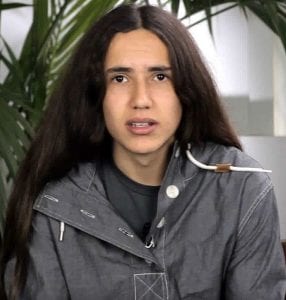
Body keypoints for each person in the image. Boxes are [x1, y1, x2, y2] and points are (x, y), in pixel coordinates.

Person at [0, 4, 285, 300]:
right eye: (120, 78)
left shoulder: (241, 189)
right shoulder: (52, 203)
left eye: (160, 76)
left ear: (185, 91)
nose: (141, 100)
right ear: (97, 94)